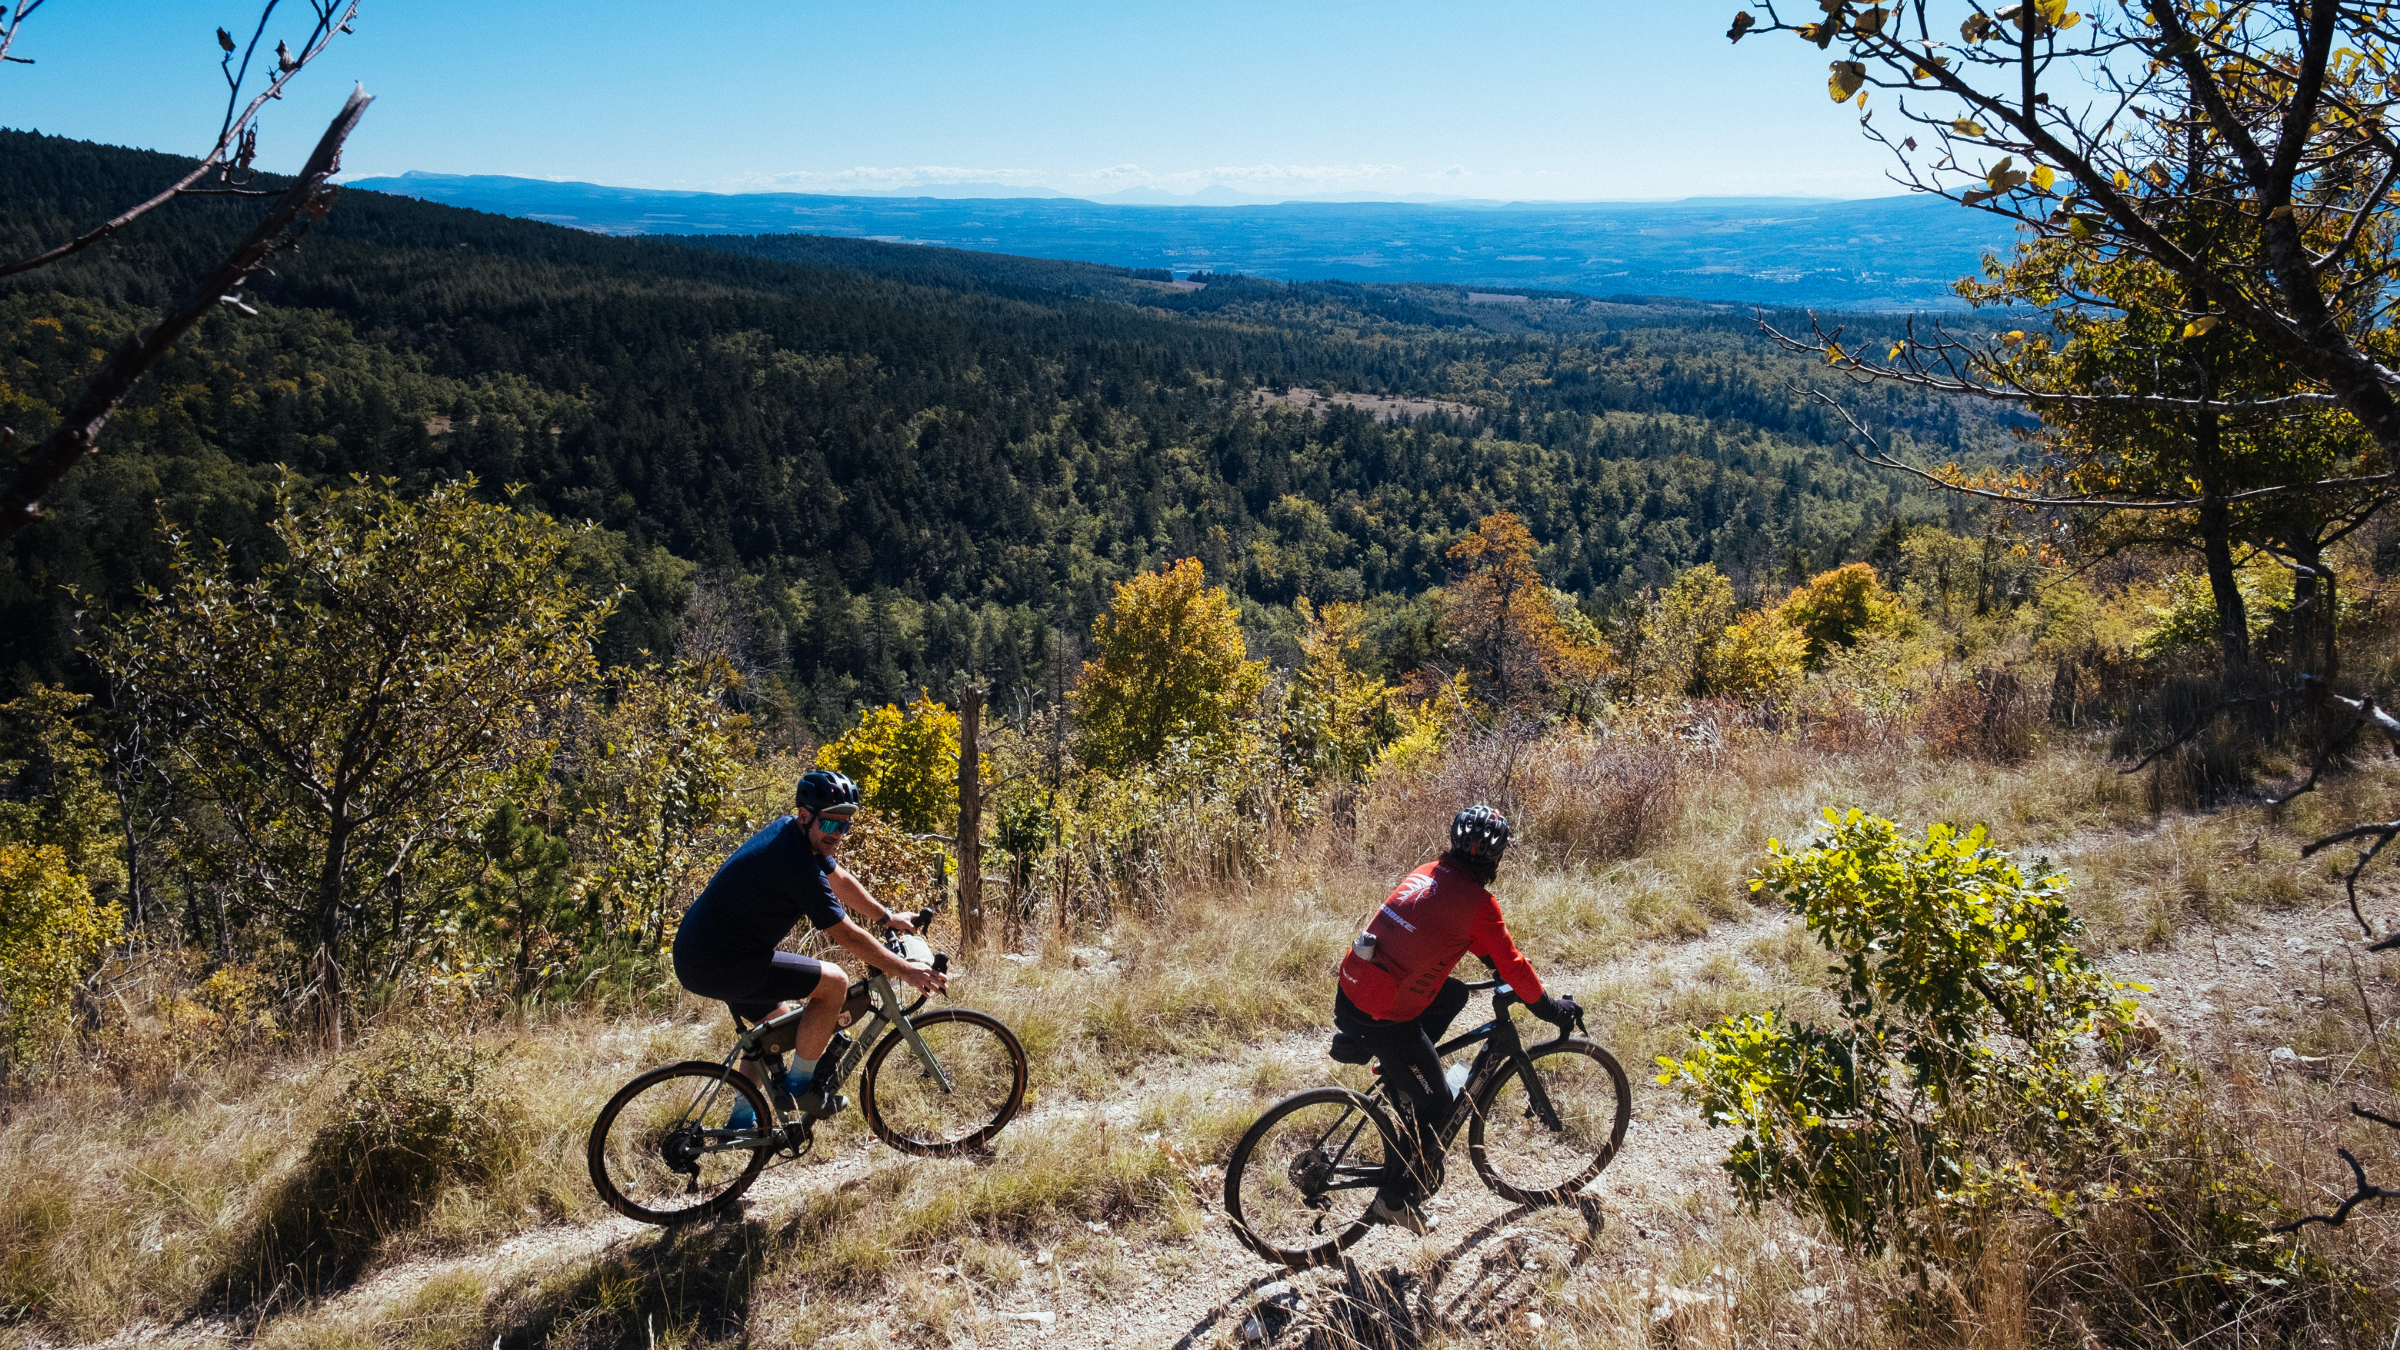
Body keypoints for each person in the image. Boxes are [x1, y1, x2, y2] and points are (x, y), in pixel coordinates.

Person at [1332, 804, 1580, 1233]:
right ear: (1495, 858)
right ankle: (1395, 1198)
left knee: (1455, 993)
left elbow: (1448, 932)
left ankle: (1401, 1074)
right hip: (1383, 1016)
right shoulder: (1477, 903)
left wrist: (1494, 963)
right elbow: (1515, 965)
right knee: (1441, 1106)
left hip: (1353, 987)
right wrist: (1552, 1010)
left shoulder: (1428, 870)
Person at [673, 769, 949, 1128]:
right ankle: (803, 1088)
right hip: (720, 962)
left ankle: (742, 1120)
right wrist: (905, 969)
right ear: (806, 816)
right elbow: (846, 936)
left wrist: (887, 917)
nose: (838, 835)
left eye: (845, 826)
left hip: (705, 955)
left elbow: (840, 880)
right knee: (834, 983)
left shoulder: (795, 834)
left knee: (773, 1027)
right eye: (831, 825)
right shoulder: (795, 863)